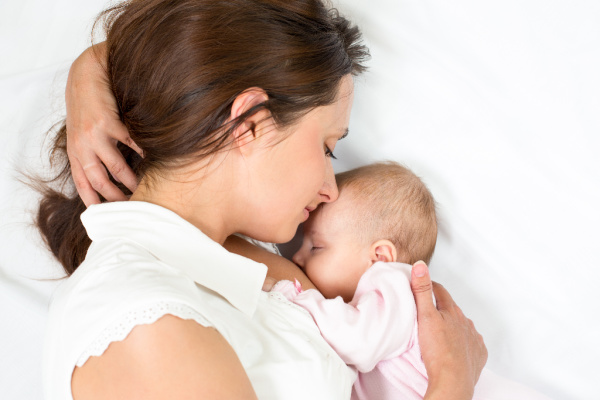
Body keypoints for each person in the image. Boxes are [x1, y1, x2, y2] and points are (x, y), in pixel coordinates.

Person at [39, 0, 487, 399]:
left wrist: (94, 67)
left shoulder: (240, 266)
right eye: (327, 147)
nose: (332, 188)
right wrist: (451, 380)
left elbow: (183, 50)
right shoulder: (144, 322)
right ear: (250, 123)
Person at [270, 162, 551, 400]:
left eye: (315, 247)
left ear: (380, 256)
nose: (297, 258)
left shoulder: (391, 284)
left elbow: (357, 341)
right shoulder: (380, 300)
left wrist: (294, 297)